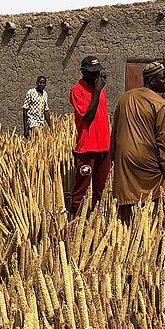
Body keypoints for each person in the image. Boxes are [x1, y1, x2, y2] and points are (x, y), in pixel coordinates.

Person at [110, 61, 165, 222]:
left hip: (124, 157)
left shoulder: (124, 98)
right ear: (151, 81)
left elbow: (115, 130)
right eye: (163, 78)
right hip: (146, 159)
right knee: (153, 197)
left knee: (126, 196)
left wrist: (113, 156)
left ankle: (125, 228)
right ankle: (146, 229)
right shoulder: (159, 104)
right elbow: (162, 139)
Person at [68, 56, 111, 217]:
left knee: (101, 190)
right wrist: (98, 91)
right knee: (81, 189)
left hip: (104, 147)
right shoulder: (77, 91)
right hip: (87, 147)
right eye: (93, 73)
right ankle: (75, 220)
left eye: (98, 72)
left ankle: (96, 220)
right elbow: (88, 116)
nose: (96, 76)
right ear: (84, 73)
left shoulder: (101, 91)